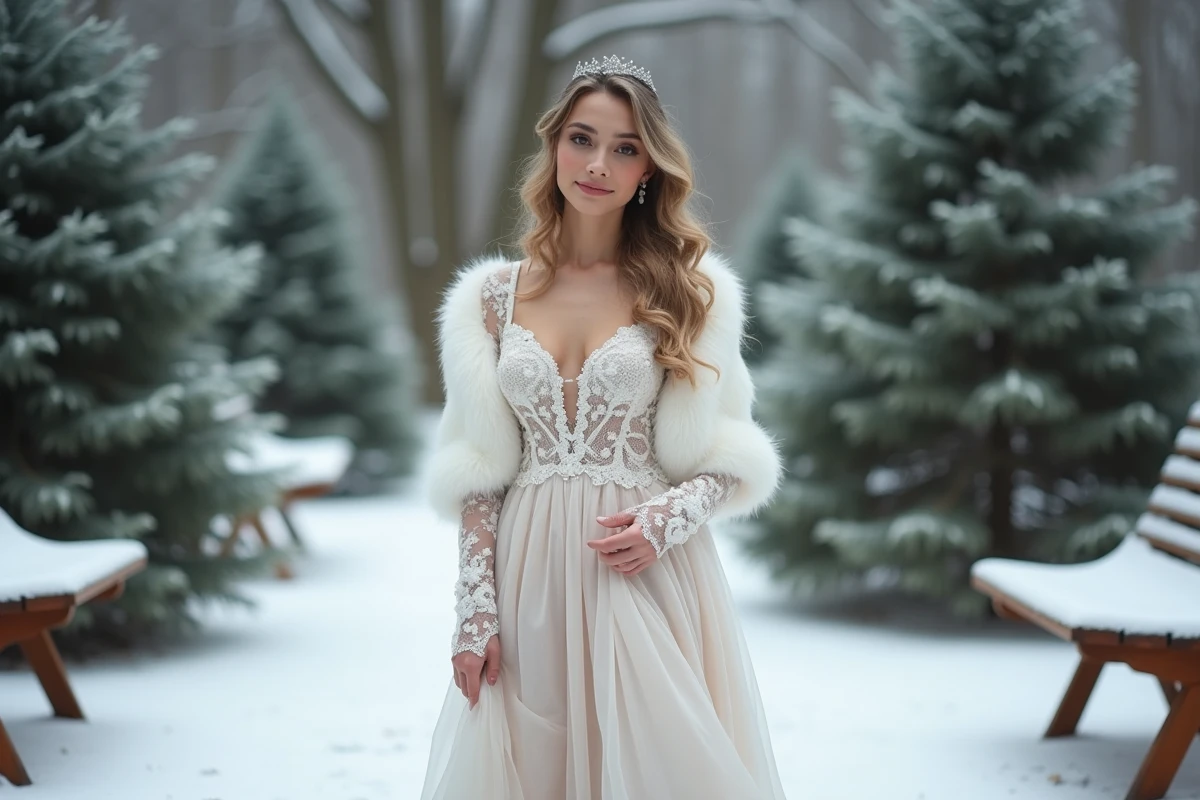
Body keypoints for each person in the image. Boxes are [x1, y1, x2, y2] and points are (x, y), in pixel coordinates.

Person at [419, 54, 787, 799]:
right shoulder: (488, 302)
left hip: (643, 570)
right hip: (527, 582)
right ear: (554, 144)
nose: (598, 164)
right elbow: (478, 470)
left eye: (625, 148)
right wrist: (474, 612)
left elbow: (729, 453)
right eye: (583, 139)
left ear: (649, 167)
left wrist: (670, 516)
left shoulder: (694, 292)